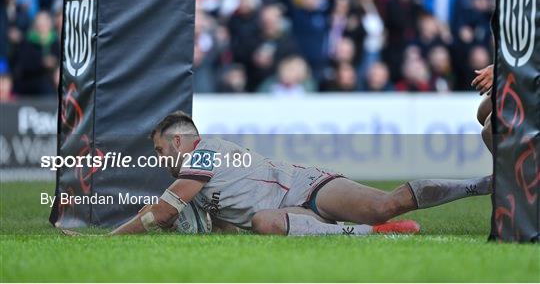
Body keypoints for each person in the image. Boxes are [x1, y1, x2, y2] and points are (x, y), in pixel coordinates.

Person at [106, 111, 492, 236]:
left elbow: (166, 209)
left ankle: (484, 184)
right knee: (263, 222)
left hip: (304, 187)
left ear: (177, 143)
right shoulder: (198, 176)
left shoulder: (205, 152)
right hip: (283, 210)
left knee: (383, 204)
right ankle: (375, 236)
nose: (159, 159)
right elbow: (223, 226)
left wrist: (113, 238)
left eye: (159, 150)